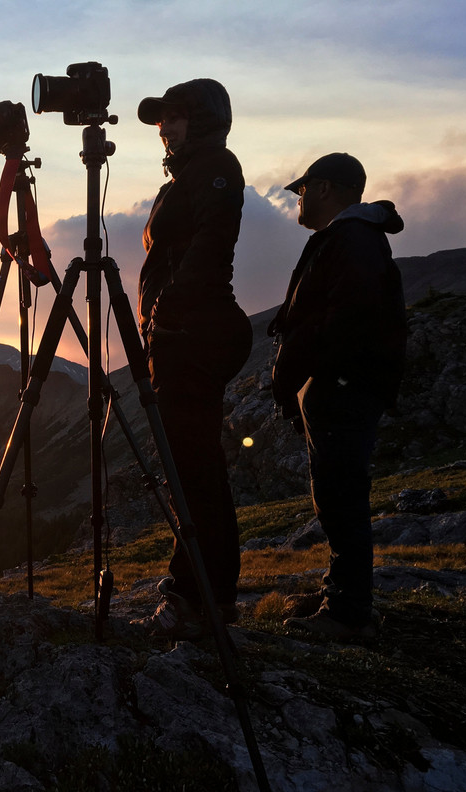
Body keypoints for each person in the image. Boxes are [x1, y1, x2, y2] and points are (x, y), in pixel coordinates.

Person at [131, 79, 254, 640]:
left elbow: (212, 243)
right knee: (191, 466)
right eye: (162, 120)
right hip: (180, 331)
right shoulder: (188, 175)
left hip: (194, 332)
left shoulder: (216, 168)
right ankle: (202, 591)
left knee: (195, 470)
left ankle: (201, 598)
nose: (165, 127)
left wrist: (171, 309)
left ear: (204, 119)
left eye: (176, 117)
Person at [268, 152, 408, 640]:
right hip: (337, 386)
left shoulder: (352, 241)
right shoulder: (348, 239)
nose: (298, 200)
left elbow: (344, 320)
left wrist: (307, 367)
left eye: (302, 190)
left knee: (341, 496)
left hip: (343, 389)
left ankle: (349, 613)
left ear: (325, 188)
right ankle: (341, 593)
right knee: (334, 494)